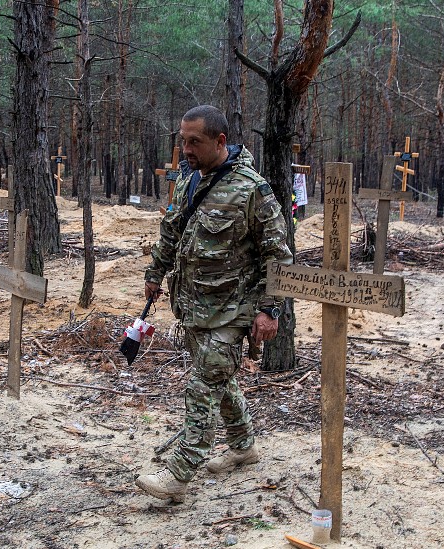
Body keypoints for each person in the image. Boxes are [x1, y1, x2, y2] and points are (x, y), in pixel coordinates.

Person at [135, 105, 293, 502]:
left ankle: (178, 475)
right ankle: (243, 446)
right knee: (220, 380)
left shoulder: (252, 190)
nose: (185, 149)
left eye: (194, 142)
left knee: (203, 385)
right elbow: (171, 231)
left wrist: (269, 309)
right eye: (182, 140)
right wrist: (155, 275)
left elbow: (279, 256)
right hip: (193, 306)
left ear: (220, 142)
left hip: (234, 309)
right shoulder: (190, 181)